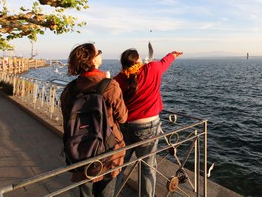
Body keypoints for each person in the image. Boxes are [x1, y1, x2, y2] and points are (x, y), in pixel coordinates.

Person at [60, 43, 128, 197]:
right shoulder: (110, 86)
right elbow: (123, 117)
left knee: (85, 192)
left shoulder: (69, 90)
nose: (101, 54)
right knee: (106, 192)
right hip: (109, 150)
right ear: (92, 60)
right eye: (99, 52)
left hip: (79, 150)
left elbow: (67, 121)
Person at [114, 49, 183, 197]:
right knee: (147, 167)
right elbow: (165, 62)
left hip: (125, 126)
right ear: (138, 59)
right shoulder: (152, 69)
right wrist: (173, 54)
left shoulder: (119, 79)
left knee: (118, 165)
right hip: (148, 127)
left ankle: (109, 194)